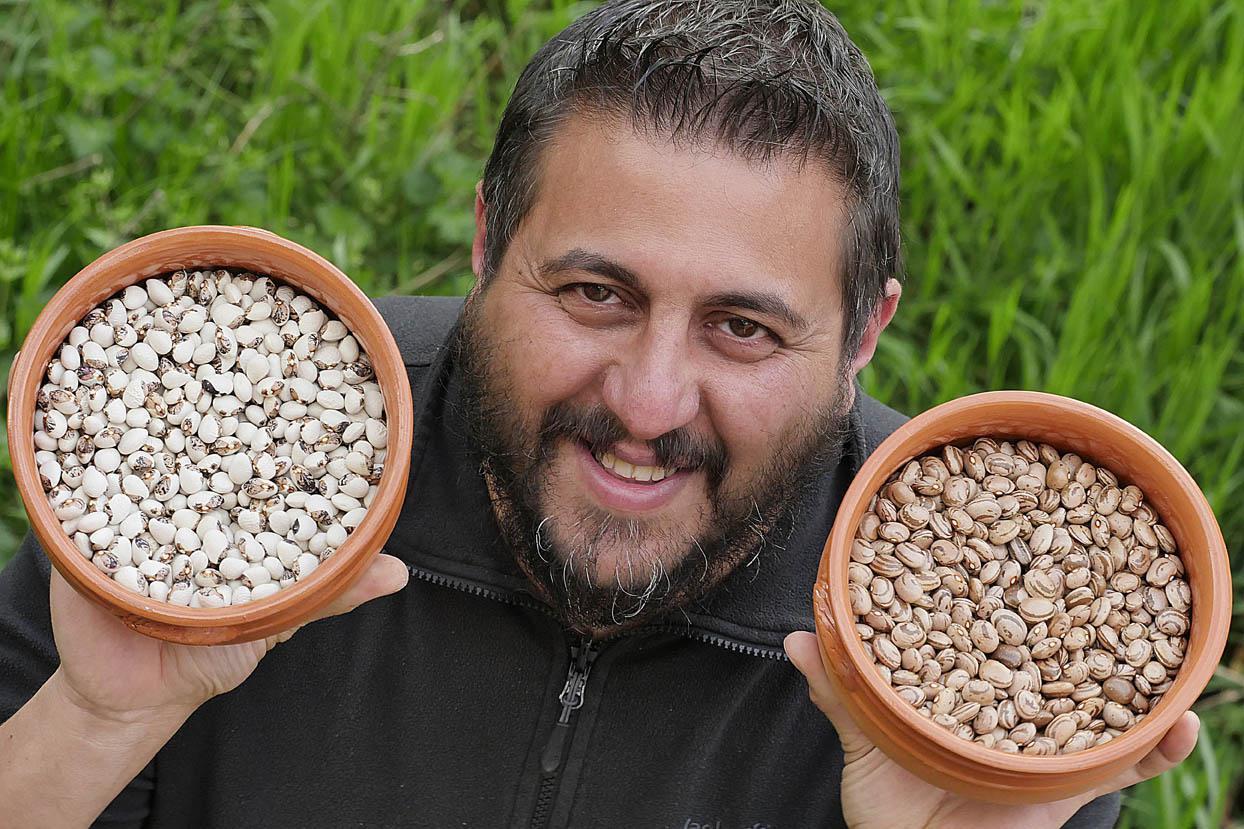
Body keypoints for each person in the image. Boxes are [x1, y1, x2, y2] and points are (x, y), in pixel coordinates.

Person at [0, 1, 1198, 826]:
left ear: (862, 336)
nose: (646, 401)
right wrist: (96, 720)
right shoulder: (232, 464)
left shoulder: (976, 648)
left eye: (743, 328)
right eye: (593, 294)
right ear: (485, 242)